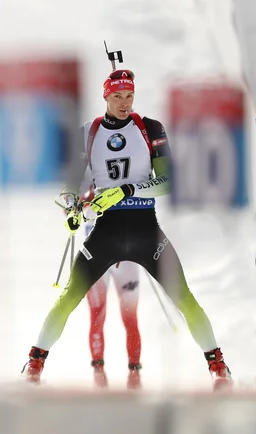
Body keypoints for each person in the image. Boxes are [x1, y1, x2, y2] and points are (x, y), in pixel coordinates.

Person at [22, 69, 232, 391]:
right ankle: (34, 363)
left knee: (185, 298)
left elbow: (168, 181)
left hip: (146, 231)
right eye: (117, 96)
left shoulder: (149, 129)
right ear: (105, 96)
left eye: (129, 96)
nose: (124, 103)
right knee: (68, 298)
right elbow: (67, 188)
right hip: (104, 233)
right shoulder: (88, 134)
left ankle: (217, 365)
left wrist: (126, 190)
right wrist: (72, 210)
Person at [79, 188, 142, 390]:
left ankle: (134, 372)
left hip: (126, 262)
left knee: (130, 318)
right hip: (97, 262)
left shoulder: (127, 179)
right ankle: (98, 372)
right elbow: (70, 208)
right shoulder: (86, 180)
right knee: (96, 316)